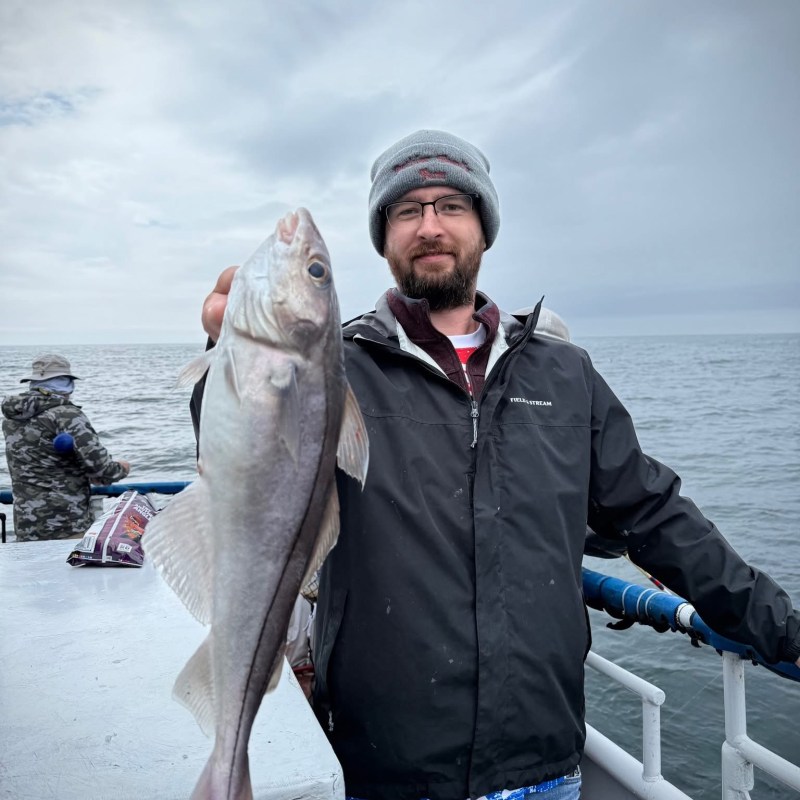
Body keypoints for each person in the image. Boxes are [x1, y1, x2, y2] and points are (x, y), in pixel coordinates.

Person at [193, 130, 800, 800]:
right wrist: (230, 362)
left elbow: (656, 515)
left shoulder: (565, 374)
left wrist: (783, 630)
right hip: (385, 770)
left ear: (484, 226)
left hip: (544, 767)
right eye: (407, 210)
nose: (430, 225)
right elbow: (249, 469)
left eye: (451, 205)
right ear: (383, 237)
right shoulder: (335, 368)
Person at [2, 353, 131, 541]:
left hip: (26, 525)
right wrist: (122, 468)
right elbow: (102, 469)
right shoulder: (67, 415)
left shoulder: (12, 418)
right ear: (67, 383)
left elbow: (43, 459)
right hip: (67, 525)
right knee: (72, 561)